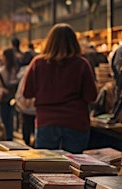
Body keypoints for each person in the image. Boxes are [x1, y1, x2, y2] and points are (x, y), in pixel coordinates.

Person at [22, 23, 97, 153]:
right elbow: (91, 96)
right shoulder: (82, 64)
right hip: (76, 121)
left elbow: (27, 93)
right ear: (74, 42)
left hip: (46, 121)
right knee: (75, 166)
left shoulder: (38, 63)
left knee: (46, 168)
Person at [0, 48, 19, 141]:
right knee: (10, 119)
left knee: (4, 119)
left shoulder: (0, 70)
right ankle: (9, 137)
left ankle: (5, 137)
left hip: (3, 98)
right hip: (13, 98)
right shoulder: (16, 70)